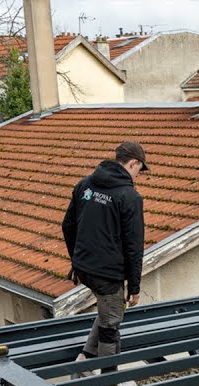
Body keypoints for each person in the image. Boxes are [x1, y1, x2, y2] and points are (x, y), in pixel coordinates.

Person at [62, 141, 148, 372]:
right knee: (111, 325)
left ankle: (85, 358)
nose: (138, 176)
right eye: (139, 170)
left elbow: (68, 225)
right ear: (133, 163)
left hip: (85, 269)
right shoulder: (129, 196)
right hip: (107, 273)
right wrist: (135, 287)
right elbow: (134, 247)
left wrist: (77, 260)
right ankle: (108, 385)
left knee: (108, 309)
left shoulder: (85, 184)